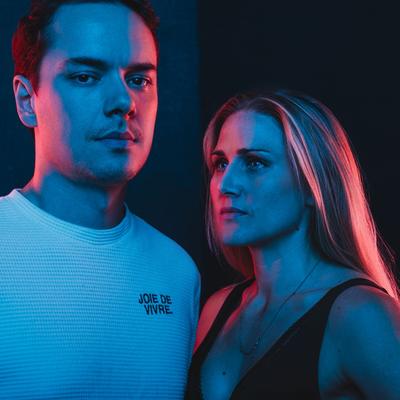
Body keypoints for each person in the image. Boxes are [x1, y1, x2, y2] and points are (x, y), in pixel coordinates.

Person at [0, 0, 200, 398]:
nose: (124, 102)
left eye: (139, 80)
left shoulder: (178, 274)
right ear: (27, 100)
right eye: (86, 77)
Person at [186, 90, 400, 399]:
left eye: (255, 162)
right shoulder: (217, 309)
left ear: (313, 184)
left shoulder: (359, 314)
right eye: (221, 164)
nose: (226, 184)